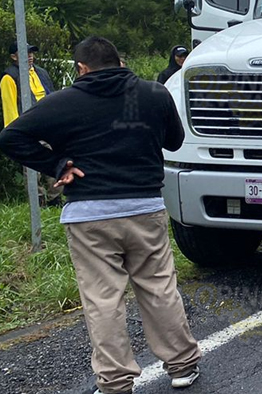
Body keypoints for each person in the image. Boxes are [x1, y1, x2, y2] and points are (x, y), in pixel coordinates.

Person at [0, 36, 202, 394]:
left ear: (81, 68)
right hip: (144, 208)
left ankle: (115, 382)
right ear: (119, 61)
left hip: (88, 214)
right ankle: (182, 366)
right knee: (159, 289)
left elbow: (10, 137)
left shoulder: (62, 102)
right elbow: (174, 141)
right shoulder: (153, 93)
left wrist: (57, 164)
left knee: (103, 300)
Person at [2, 43, 56, 128]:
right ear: (14, 57)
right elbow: (10, 111)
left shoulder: (41, 72)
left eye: (30, 52)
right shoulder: (9, 77)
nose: (30, 55)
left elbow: (52, 97)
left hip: (47, 123)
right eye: (24, 52)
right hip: (28, 126)